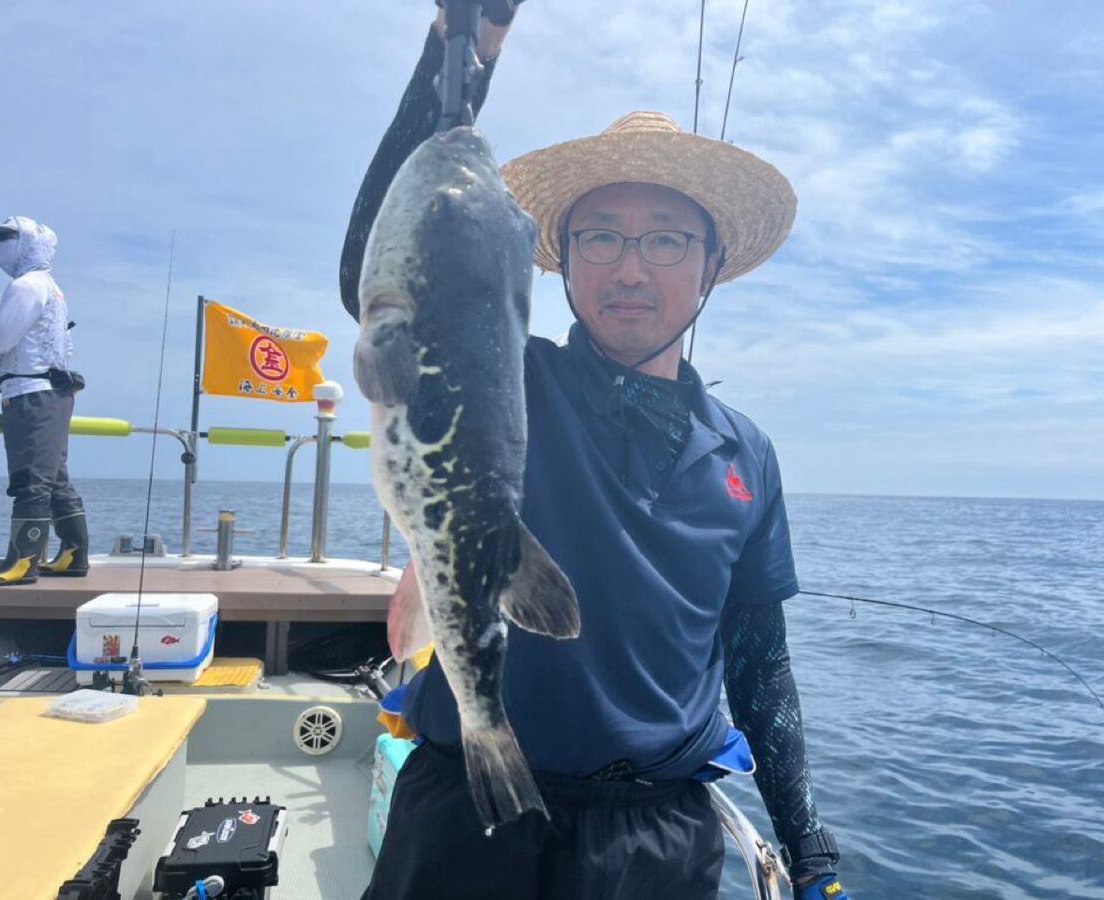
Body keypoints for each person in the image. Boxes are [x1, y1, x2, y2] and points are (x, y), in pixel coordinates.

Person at [340, 6, 850, 899]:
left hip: (659, 837)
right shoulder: (504, 380)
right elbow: (389, 261)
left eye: (664, 239)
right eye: (601, 236)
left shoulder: (747, 456)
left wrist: (807, 845)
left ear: (712, 262)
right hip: (465, 811)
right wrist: (464, 51)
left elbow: (760, 657)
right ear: (562, 260)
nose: (629, 268)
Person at [0, 216, 88, 585]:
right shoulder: (50, 285)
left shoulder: (26, 286)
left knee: (30, 479)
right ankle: (73, 553)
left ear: (26, 244)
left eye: (6, 238)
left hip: (31, 394)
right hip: (51, 393)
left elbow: (2, 340)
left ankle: (22, 561)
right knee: (53, 478)